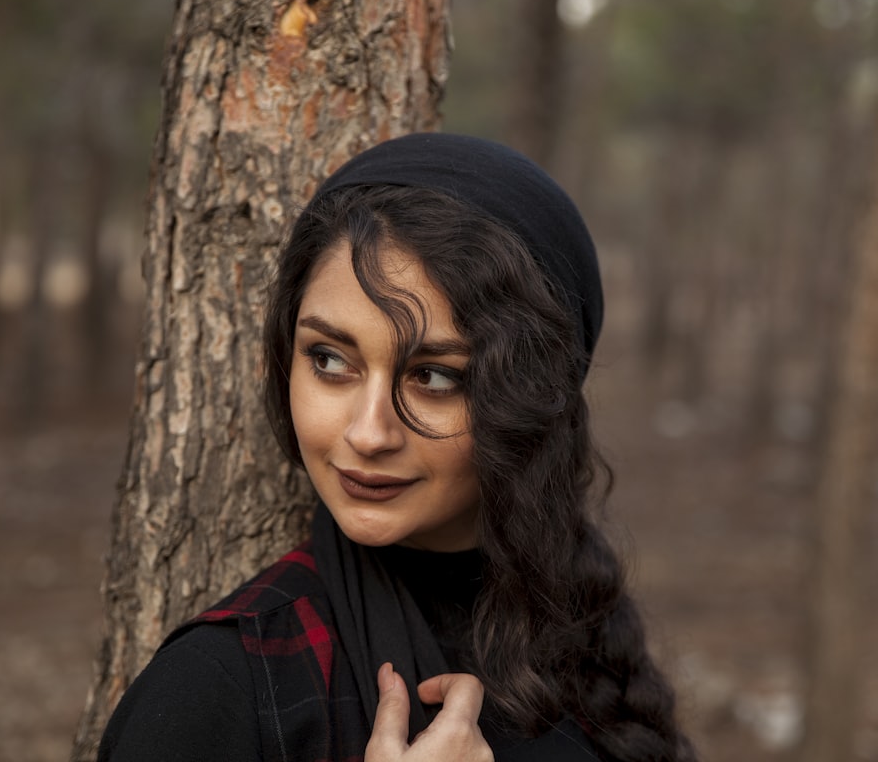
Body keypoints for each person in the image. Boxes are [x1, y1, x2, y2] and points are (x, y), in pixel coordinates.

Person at [98, 133, 696, 762]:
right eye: (329, 360)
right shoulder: (218, 693)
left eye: (435, 375)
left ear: (531, 399)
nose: (368, 433)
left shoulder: (582, 635)